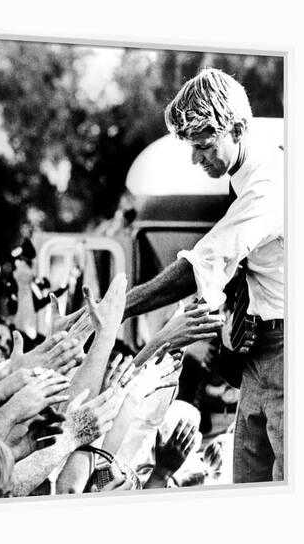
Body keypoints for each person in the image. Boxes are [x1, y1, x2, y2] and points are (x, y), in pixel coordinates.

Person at [124, 68, 284, 483]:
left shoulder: (269, 184)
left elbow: (202, 264)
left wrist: (118, 309)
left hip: (285, 354)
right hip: (258, 356)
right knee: (250, 482)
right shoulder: (245, 179)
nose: (198, 160)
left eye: (205, 146)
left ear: (238, 128)